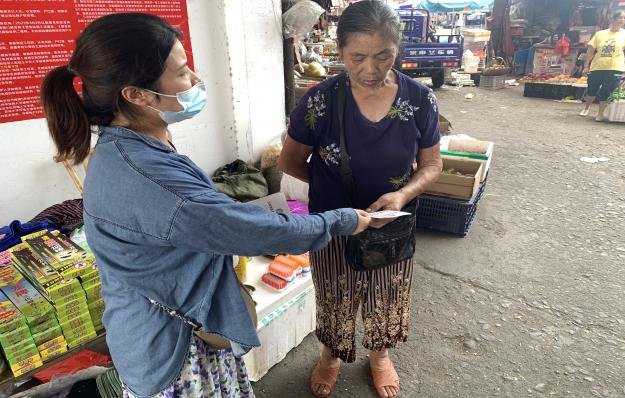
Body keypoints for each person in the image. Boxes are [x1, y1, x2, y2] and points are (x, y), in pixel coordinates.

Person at [40, 13, 372, 398]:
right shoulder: (146, 173)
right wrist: (339, 221)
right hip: (171, 352)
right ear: (137, 95)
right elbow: (243, 228)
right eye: (181, 72)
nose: (196, 80)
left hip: (167, 326)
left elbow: (197, 214)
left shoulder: (130, 144)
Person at [278, 1, 443, 397]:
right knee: (334, 290)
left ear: (397, 49)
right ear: (340, 51)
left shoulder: (420, 100)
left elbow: (432, 165)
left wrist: (401, 193)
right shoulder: (320, 100)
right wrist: (330, 193)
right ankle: (332, 354)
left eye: (383, 55)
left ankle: (380, 354)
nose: (371, 69)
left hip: (392, 224)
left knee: (387, 291)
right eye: (358, 57)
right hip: (333, 223)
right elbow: (291, 161)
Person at [579, 11, 625, 121]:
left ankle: (600, 113)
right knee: (592, 89)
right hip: (598, 66)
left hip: (615, 66)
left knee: (607, 90)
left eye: (624, 18)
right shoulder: (600, 34)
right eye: (620, 17)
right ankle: (586, 107)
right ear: (613, 19)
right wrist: (586, 66)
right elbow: (590, 50)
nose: (622, 20)